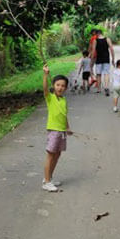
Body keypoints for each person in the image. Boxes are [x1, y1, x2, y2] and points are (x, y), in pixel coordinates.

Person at [42, 64, 72, 192]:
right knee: (50, 154)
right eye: (58, 85)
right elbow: (44, 89)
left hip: (62, 131)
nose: (60, 87)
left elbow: (64, 115)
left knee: (57, 154)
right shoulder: (50, 98)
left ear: (65, 88)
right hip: (53, 130)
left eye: (63, 86)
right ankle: (46, 182)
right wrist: (45, 75)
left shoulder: (64, 100)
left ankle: (49, 178)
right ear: (54, 86)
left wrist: (68, 127)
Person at [91, 29, 115, 96]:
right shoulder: (107, 39)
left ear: (97, 34)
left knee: (98, 74)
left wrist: (92, 61)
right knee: (106, 73)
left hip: (99, 59)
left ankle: (99, 89)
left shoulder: (95, 41)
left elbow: (93, 52)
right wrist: (113, 59)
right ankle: (106, 87)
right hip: (106, 58)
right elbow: (112, 49)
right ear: (102, 33)